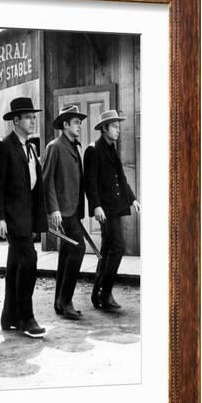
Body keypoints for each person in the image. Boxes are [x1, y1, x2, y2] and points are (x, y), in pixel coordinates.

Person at [0, 97, 48, 338]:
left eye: (34, 117)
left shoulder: (30, 148)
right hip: (13, 219)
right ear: (16, 120)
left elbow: (33, 186)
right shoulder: (4, 146)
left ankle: (9, 316)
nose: (33, 121)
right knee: (29, 262)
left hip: (27, 218)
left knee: (15, 267)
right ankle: (26, 318)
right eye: (29, 117)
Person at [84, 109, 141, 310]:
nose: (118, 130)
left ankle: (97, 294)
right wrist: (96, 206)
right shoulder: (93, 150)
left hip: (116, 207)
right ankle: (105, 292)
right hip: (105, 209)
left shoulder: (111, 149)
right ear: (105, 128)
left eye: (119, 127)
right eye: (114, 127)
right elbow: (90, 183)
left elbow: (121, 178)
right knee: (117, 246)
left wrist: (132, 199)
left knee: (108, 249)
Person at [42, 105, 88, 320]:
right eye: (76, 122)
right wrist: (53, 209)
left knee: (67, 253)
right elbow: (47, 179)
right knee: (78, 248)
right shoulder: (55, 146)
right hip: (63, 211)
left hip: (74, 209)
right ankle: (66, 300)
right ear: (65, 124)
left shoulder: (74, 146)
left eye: (80, 122)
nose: (79, 126)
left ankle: (59, 302)